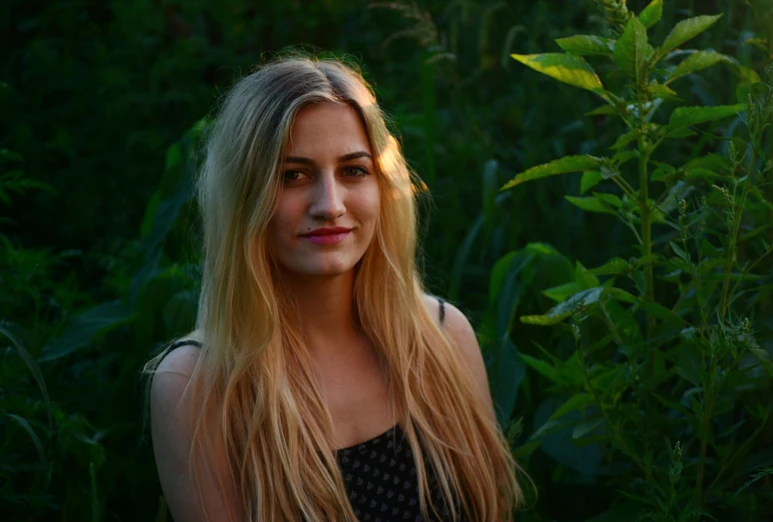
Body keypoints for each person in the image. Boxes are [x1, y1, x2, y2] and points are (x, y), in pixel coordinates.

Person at [145, 55, 528, 522]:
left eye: (353, 170)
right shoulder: (195, 386)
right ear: (244, 195)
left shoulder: (443, 337)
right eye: (293, 176)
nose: (330, 205)